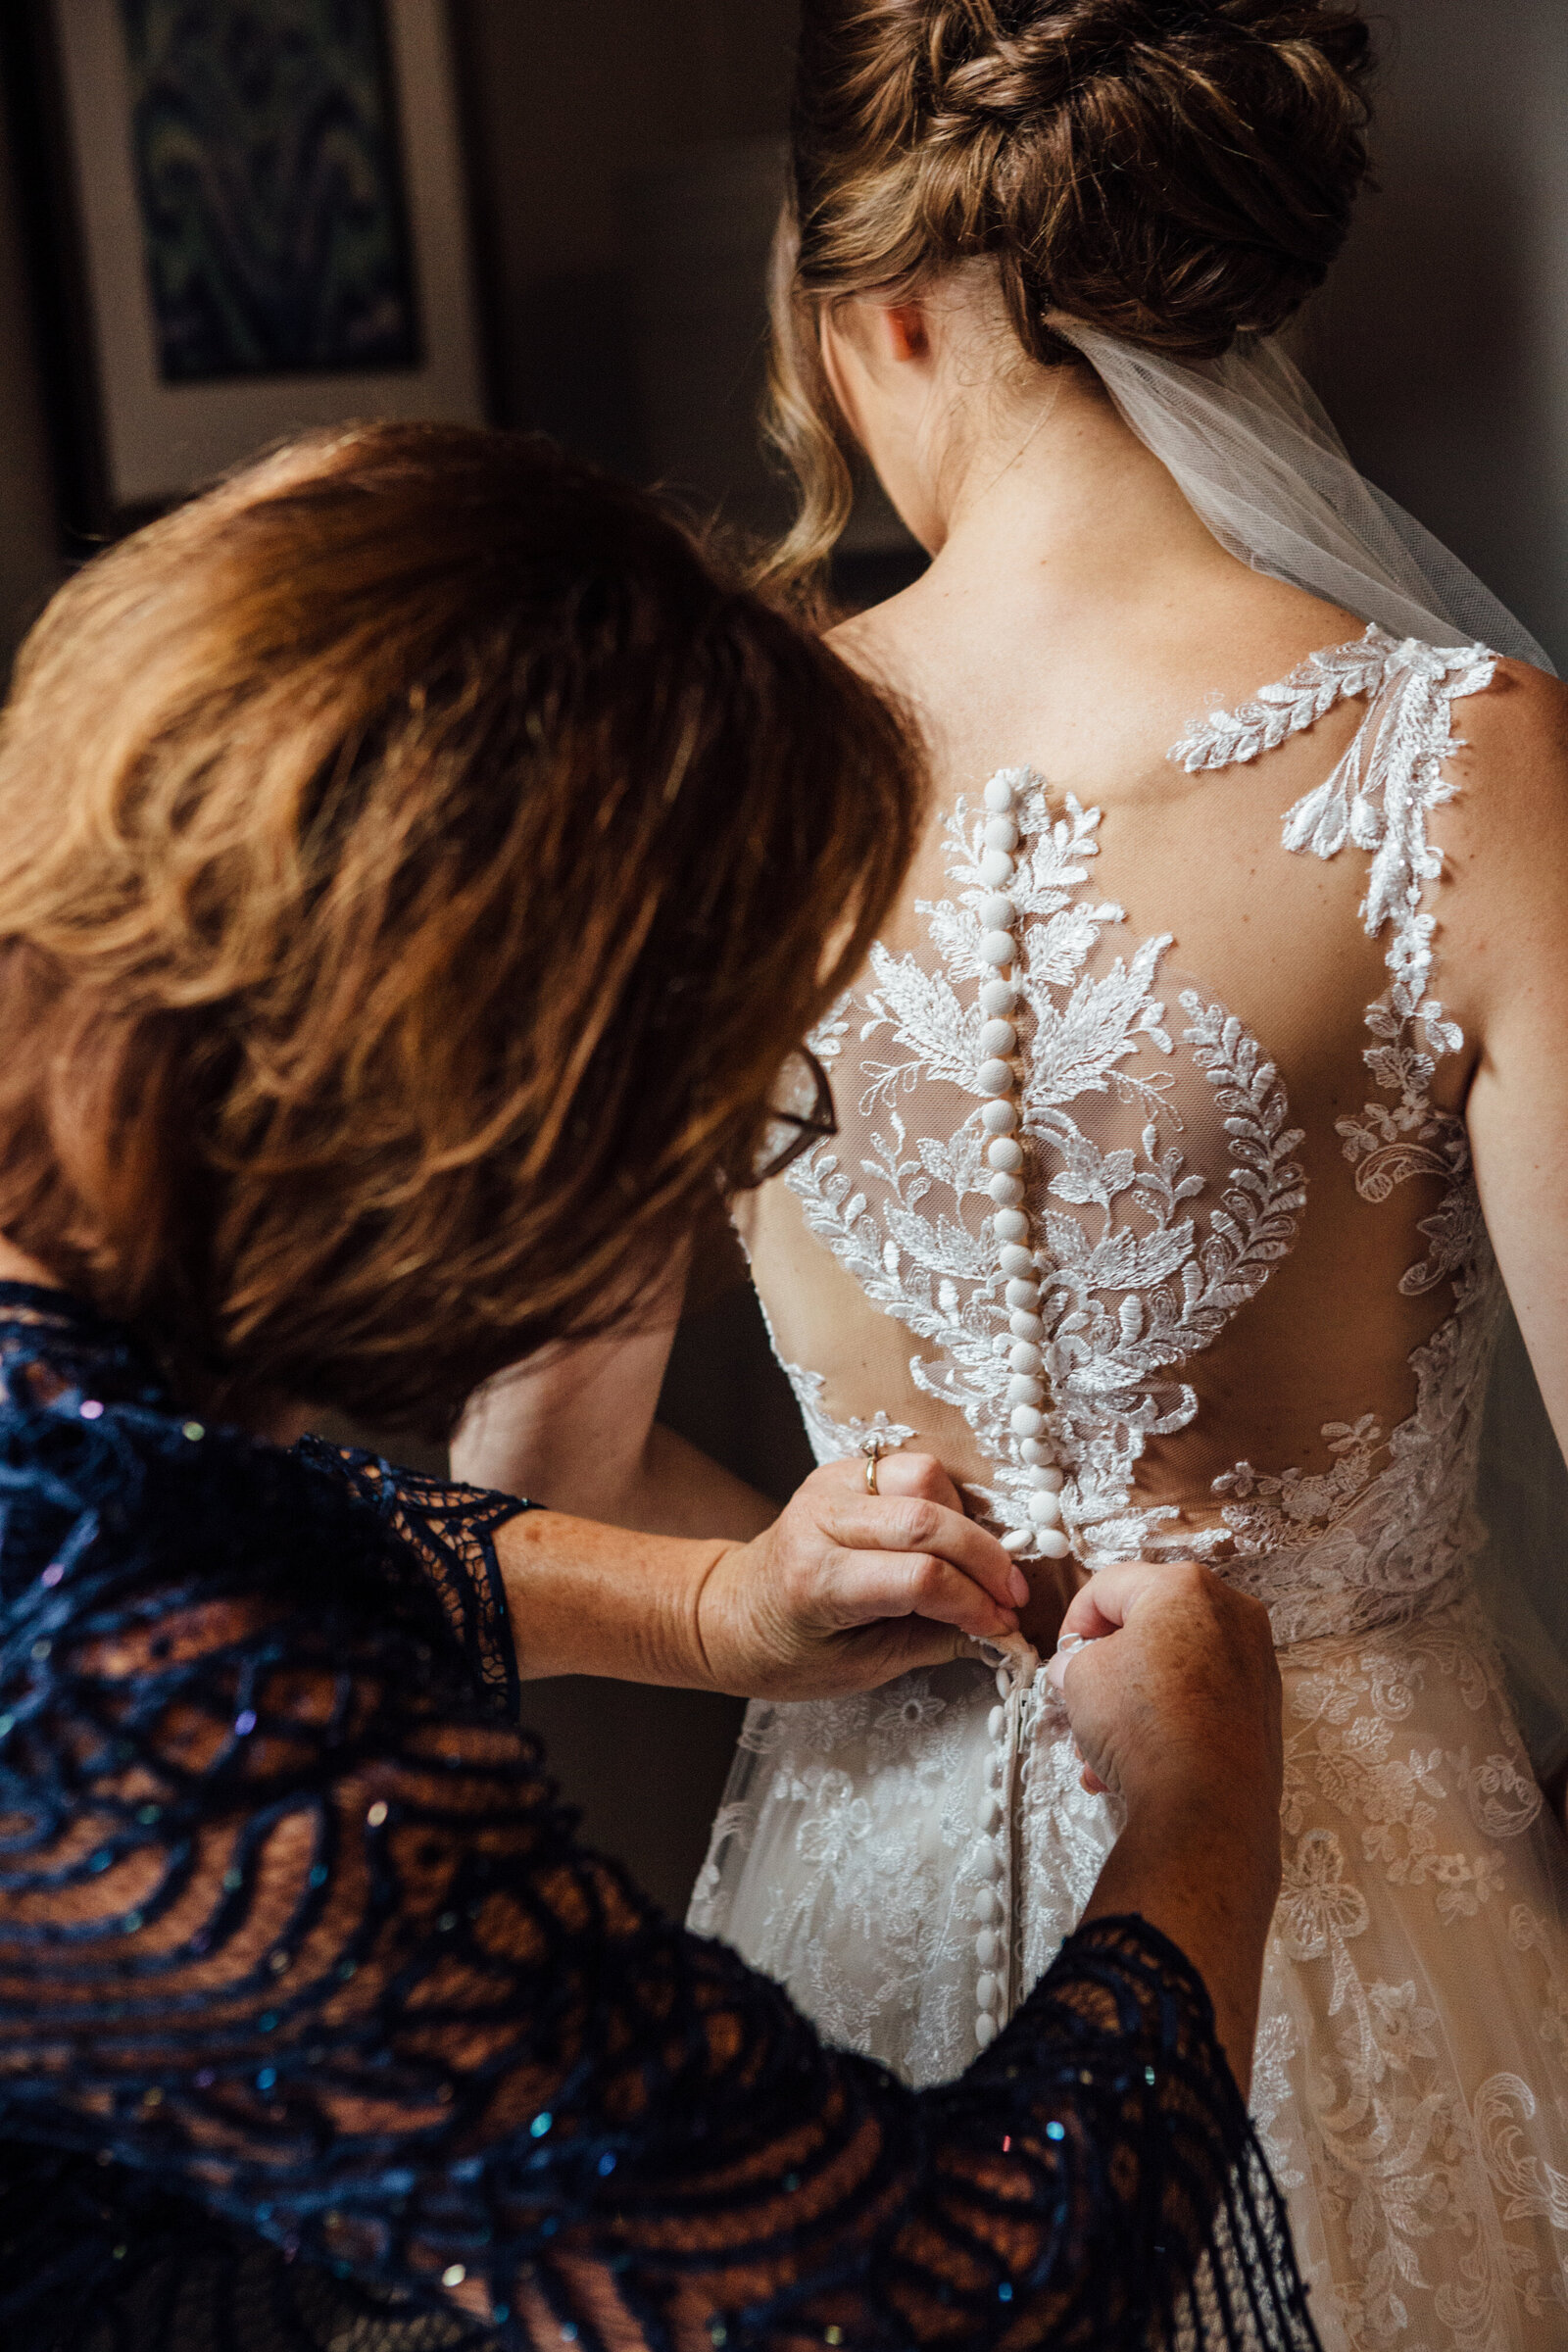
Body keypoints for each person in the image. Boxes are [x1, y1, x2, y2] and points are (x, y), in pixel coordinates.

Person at [454, 6, 1568, 2346]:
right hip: (1355, 1960)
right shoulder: (1459, 766)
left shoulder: (702, 774)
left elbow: (513, 1509)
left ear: (860, 306)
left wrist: (769, 1587)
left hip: (859, 1992)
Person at [0, 422, 1311, 2352]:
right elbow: (932, 2304)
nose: (695, 1209)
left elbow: (175, 1506)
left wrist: (712, 1605)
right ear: (496, 1112)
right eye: (701, 1115)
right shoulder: (162, 1712)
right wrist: (1202, 1821)